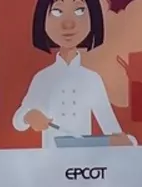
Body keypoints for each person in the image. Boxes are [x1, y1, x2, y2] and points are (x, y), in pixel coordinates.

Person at [12, 0, 135, 148]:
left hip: (83, 161)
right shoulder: (43, 78)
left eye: (79, 11)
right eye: (57, 12)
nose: (68, 24)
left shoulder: (92, 79)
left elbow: (111, 127)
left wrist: (125, 141)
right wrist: (28, 116)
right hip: (50, 160)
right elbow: (18, 120)